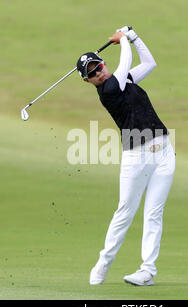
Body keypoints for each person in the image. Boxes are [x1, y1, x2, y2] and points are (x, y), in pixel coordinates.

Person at [76, 26, 175, 286]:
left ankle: (147, 272)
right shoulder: (108, 91)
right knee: (125, 212)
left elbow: (150, 63)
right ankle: (103, 263)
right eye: (92, 73)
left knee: (154, 214)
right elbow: (125, 63)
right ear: (87, 81)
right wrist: (123, 40)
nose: (98, 72)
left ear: (102, 62)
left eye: (97, 66)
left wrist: (133, 37)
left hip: (164, 151)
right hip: (136, 156)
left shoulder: (125, 80)